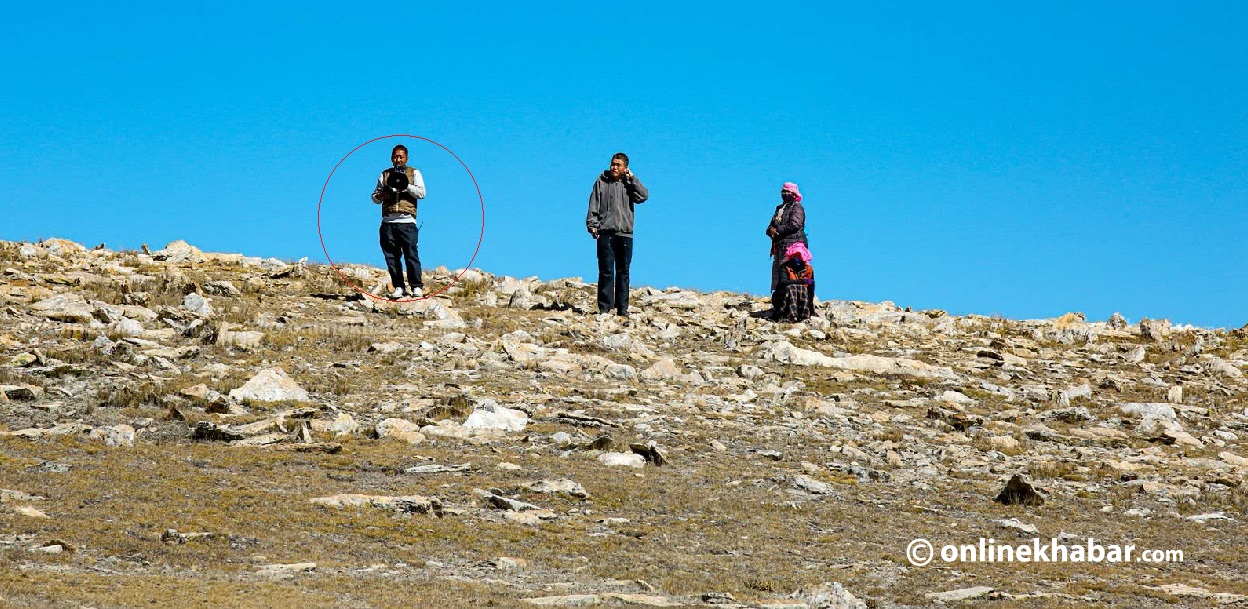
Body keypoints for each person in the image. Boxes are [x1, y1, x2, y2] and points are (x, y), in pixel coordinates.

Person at [586, 152, 648, 316]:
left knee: (623, 272)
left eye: (618, 165)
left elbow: (643, 196)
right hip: (605, 233)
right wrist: (592, 225)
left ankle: (622, 309)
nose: (614, 167)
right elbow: (594, 204)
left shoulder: (629, 184)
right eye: (613, 164)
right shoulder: (601, 182)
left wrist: (632, 178)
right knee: (606, 271)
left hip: (625, 234)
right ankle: (605, 308)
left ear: (625, 168)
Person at [371, 144, 427, 299]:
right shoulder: (384, 175)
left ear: (406, 158)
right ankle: (398, 287)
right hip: (388, 222)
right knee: (391, 257)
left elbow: (422, 193)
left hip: (407, 221)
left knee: (411, 255)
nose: (398, 160)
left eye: (401, 157)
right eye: (396, 157)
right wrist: (380, 196)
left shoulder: (414, 172)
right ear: (391, 158)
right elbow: (374, 197)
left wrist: (406, 185)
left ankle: (416, 287)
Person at [766, 182, 808, 294]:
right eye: (783, 191)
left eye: (787, 191)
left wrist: (778, 230)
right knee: (778, 274)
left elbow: (795, 224)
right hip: (779, 246)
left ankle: (791, 297)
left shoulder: (797, 207)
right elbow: (771, 226)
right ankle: (779, 299)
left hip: (793, 246)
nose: (784, 194)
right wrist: (770, 231)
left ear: (793, 194)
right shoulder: (779, 209)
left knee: (789, 273)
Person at [772, 242, 816, 322]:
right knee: (792, 287)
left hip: (801, 301)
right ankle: (790, 315)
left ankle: (803, 315)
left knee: (802, 288)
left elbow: (810, 291)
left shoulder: (809, 270)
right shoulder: (785, 267)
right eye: (794, 255)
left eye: (799, 255)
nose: (796, 258)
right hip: (783, 298)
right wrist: (802, 281)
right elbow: (783, 282)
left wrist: (811, 309)